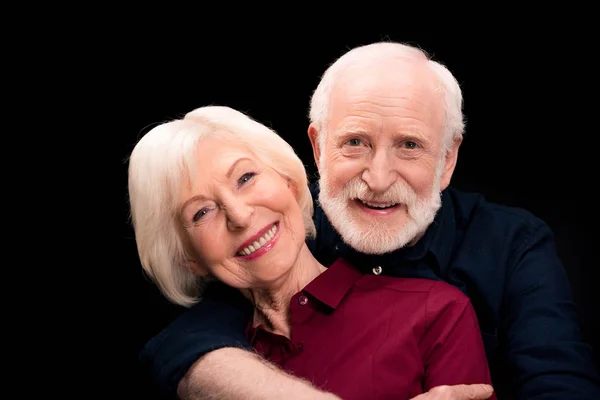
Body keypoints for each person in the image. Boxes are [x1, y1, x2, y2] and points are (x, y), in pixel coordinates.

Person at [138, 42, 600, 399]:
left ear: (447, 160)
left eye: (410, 145)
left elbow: (558, 384)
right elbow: (181, 346)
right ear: (318, 149)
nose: (377, 180)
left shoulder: (511, 246)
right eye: (355, 142)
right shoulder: (276, 230)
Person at [128, 105, 497, 400]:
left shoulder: (436, 312)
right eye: (201, 212)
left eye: (245, 178)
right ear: (187, 258)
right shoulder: (195, 370)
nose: (239, 216)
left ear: (289, 182)